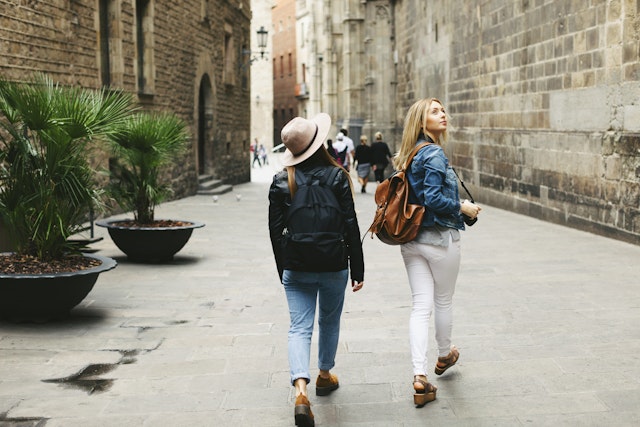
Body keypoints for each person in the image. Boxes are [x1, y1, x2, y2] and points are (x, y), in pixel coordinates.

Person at [268, 113, 365, 427]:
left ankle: (300, 391)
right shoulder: (337, 176)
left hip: (296, 264)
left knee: (299, 327)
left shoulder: (282, 180)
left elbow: (274, 231)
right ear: (319, 143)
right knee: (329, 320)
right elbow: (351, 224)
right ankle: (324, 375)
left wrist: (284, 268)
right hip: (334, 262)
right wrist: (357, 268)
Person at [394, 98, 481, 408]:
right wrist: (464, 206)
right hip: (439, 238)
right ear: (421, 122)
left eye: (444, 109)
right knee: (442, 300)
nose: (443, 114)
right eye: (435, 111)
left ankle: (419, 376)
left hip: (410, 240)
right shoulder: (432, 153)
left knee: (420, 306)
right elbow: (433, 199)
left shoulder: (409, 153)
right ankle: (444, 355)